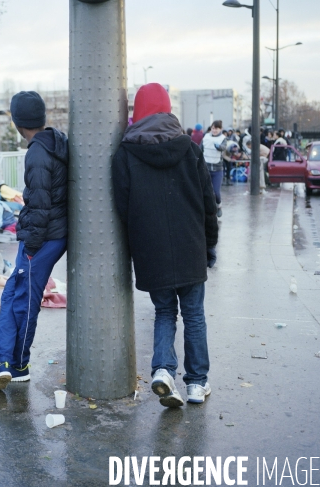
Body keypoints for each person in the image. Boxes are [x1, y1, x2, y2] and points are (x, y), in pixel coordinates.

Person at [112, 83, 219, 407]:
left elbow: (122, 208)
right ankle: (197, 384)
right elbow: (207, 203)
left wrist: (135, 250)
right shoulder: (190, 149)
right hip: (190, 246)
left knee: (164, 312)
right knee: (194, 316)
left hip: (151, 251)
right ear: (168, 109)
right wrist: (210, 245)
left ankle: (162, 370)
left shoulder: (125, 154)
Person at [0, 91, 68, 391]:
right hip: (54, 234)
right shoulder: (57, 142)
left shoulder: (37, 153)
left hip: (42, 237)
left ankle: (12, 365)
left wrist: (30, 245)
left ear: (18, 122)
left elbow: (40, 202)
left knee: (19, 299)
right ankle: (7, 362)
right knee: (16, 296)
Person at [201, 120, 226, 217]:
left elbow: (223, 147)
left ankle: (219, 206)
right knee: (205, 191)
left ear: (220, 129)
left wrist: (218, 146)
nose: (214, 130)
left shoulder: (223, 138)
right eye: (212, 128)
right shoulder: (206, 137)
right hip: (205, 169)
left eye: (216, 128)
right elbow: (200, 149)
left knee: (216, 192)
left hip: (217, 170)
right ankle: (208, 211)